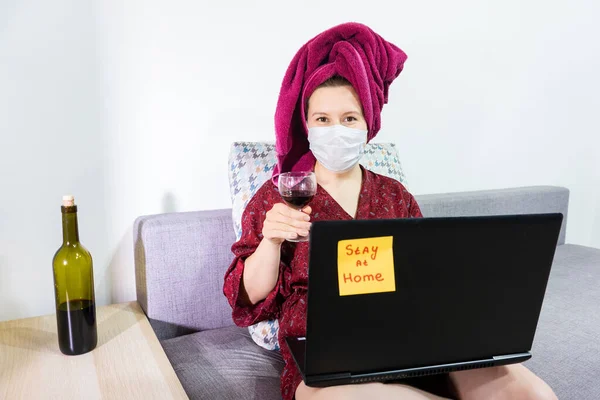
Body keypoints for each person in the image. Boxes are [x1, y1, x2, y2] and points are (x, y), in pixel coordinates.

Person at [224, 23, 557, 400]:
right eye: (323, 120)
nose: (337, 130)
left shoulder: (394, 195)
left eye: (349, 118)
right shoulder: (279, 195)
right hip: (328, 362)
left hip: (414, 340)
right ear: (307, 124)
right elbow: (247, 298)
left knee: (529, 392)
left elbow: (429, 277)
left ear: (368, 124)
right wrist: (270, 240)